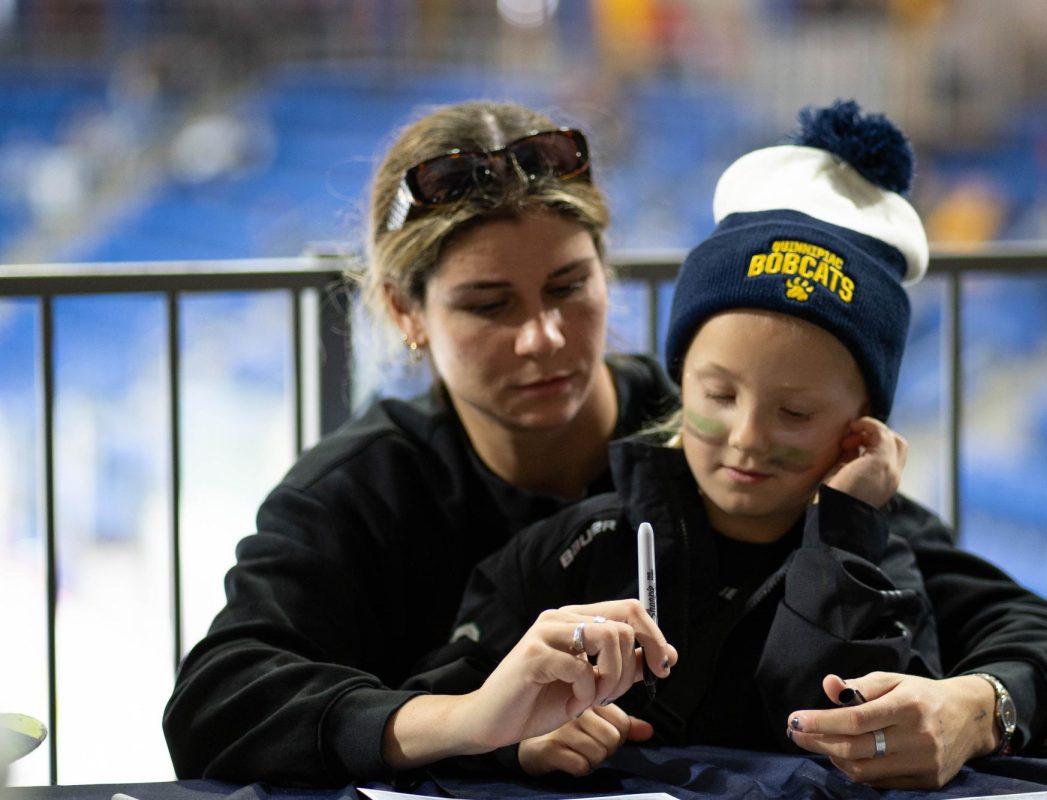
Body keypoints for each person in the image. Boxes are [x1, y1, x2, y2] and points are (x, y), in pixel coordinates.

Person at [410, 101, 1047, 790]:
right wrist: (517, 739)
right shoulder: (580, 540)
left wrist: (848, 546)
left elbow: (834, 716)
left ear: (862, 425)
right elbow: (446, 696)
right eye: (718, 396)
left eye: (796, 412)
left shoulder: (886, 556)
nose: (747, 438)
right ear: (680, 382)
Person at [162, 100, 678, 787]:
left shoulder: (709, 440)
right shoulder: (361, 487)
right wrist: (470, 720)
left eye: (568, 286)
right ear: (406, 311)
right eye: (489, 305)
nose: (543, 337)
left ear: (604, 272)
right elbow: (215, 708)